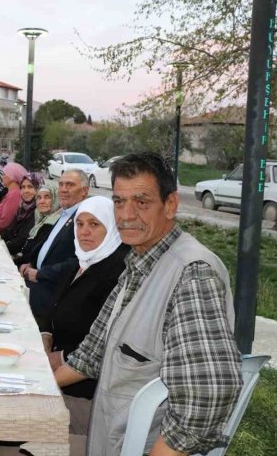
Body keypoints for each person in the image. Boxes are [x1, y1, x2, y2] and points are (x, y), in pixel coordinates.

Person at [54, 153, 242, 456]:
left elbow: (209, 394)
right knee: (12, 422)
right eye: (118, 201)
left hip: (133, 443)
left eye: (141, 202)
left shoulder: (191, 273)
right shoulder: (139, 262)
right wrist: (37, 389)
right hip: (107, 426)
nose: (126, 215)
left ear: (170, 206)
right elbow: (90, 356)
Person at [40, 196, 130, 440]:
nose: (85, 232)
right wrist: (46, 336)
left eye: (94, 224)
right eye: (79, 224)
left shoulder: (117, 272)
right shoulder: (80, 261)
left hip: (83, 385)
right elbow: (54, 306)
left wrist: (56, 359)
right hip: (56, 363)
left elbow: (103, 344)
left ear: (111, 226)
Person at [18, 169, 89, 327]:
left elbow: (79, 262)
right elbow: (48, 246)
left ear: (84, 191)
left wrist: (40, 274)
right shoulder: (65, 213)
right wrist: (31, 263)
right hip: (37, 279)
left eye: (69, 185)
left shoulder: (84, 217)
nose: (63, 189)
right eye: (61, 184)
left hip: (51, 292)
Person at [12, 185, 60, 264]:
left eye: (47, 197)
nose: (42, 201)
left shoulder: (53, 223)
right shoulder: (37, 215)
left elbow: (36, 253)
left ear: (55, 200)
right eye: (39, 198)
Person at [1, 175, 40, 255]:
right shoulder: (22, 208)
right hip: (10, 250)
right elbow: (9, 229)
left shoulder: (39, 212)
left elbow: (22, 240)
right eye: (23, 187)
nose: (26, 191)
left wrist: (1, 246)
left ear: (38, 189)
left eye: (30, 187)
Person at [0, 162, 30, 232]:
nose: (1, 177)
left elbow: (5, 222)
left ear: (11, 177)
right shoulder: (11, 192)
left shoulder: (15, 194)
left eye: (4, 174)